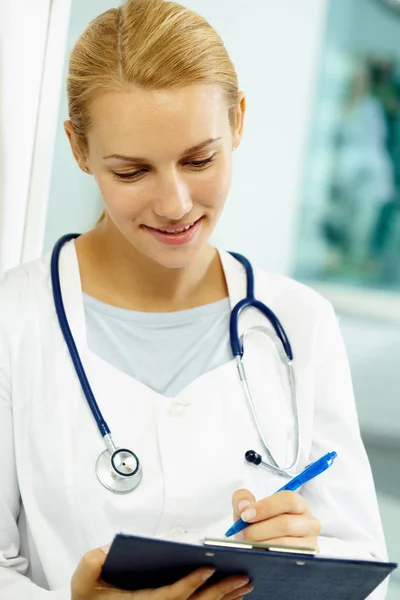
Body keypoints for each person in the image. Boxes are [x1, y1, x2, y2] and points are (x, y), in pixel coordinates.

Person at [0, 0, 389, 598]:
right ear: (79, 149)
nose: (176, 204)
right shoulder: (13, 320)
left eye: (199, 159)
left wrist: (301, 553)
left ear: (237, 121)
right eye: (132, 172)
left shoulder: (299, 322)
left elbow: (360, 562)